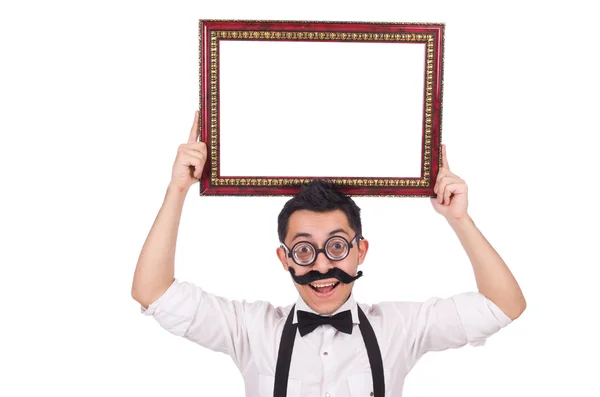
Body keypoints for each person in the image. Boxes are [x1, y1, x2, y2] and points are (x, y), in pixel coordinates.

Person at [131, 111, 526, 397]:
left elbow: (503, 305)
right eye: (304, 250)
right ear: (284, 259)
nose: (321, 265)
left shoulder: (400, 329)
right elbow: (153, 292)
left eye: (337, 246)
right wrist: (177, 190)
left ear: (361, 251)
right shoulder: (250, 330)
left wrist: (459, 219)